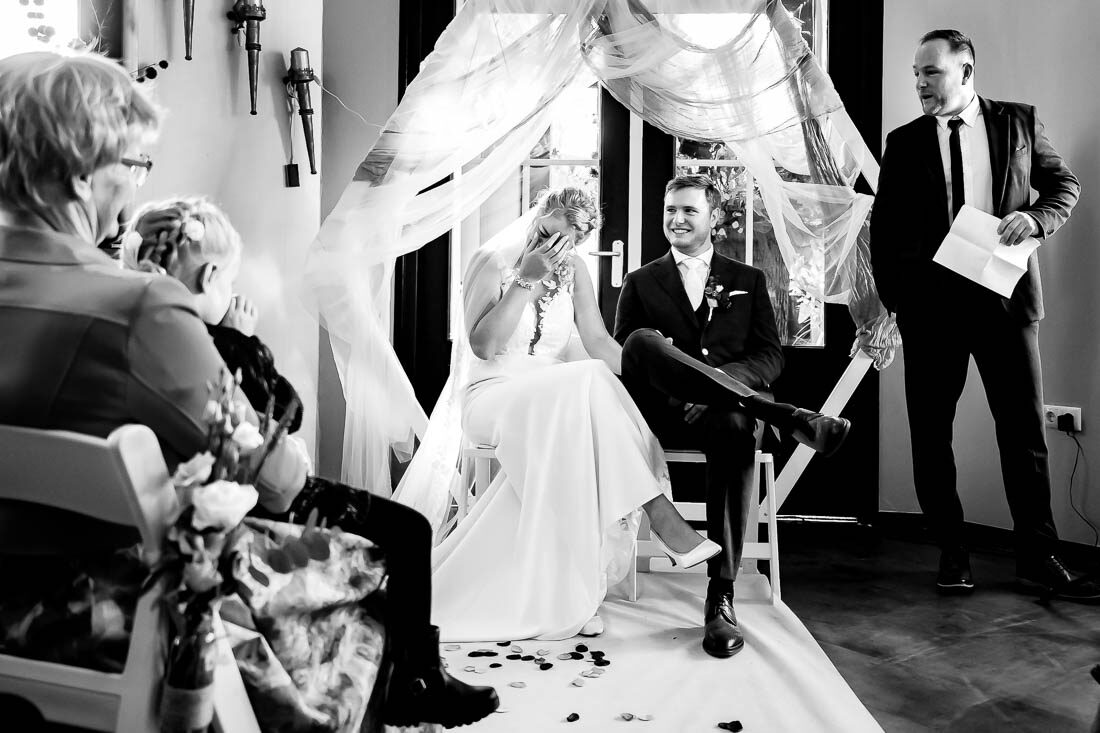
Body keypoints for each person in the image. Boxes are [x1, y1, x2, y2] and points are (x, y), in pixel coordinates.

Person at [0, 52, 496, 728]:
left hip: (10, 605)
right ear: (83, 174)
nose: (134, 187)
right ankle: (392, 690)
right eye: (133, 165)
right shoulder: (140, 310)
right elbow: (278, 481)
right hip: (109, 613)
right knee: (368, 570)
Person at [118, 196, 499, 726]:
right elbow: (287, 412)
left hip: (192, 498)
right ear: (209, 278)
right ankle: (418, 680)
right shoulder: (208, 344)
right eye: (228, 280)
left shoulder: (128, 330)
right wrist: (243, 340)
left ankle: (409, 676)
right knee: (409, 529)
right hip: (253, 499)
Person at [396, 186, 722, 642]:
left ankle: (570, 593)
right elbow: (484, 347)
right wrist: (525, 280)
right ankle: (659, 513)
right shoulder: (492, 261)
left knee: (588, 386)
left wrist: (657, 371)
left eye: (565, 241)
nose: (552, 247)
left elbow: (598, 343)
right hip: (494, 395)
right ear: (538, 215)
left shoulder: (576, 271)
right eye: (548, 233)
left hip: (554, 397)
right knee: (585, 381)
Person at [869, 30, 1097, 601]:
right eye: (916, 73)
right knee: (930, 435)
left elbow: (1064, 184)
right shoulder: (903, 142)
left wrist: (1037, 219)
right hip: (931, 312)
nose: (920, 83)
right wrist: (900, 304)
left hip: (1006, 303)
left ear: (966, 72)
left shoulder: (1019, 122)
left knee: (1024, 435)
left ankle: (1039, 557)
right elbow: (885, 230)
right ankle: (952, 552)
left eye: (931, 72)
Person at [614, 174, 851, 658]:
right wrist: (683, 386)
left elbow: (770, 356)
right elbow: (628, 361)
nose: (677, 219)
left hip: (728, 414)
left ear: (714, 217)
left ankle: (720, 595)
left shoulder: (748, 280)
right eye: (671, 210)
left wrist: (717, 385)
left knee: (735, 424)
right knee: (641, 341)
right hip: (667, 413)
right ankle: (788, 417)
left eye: (689, 211)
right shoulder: (639, 282)